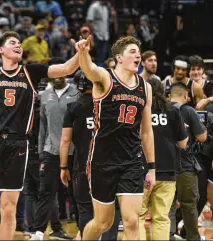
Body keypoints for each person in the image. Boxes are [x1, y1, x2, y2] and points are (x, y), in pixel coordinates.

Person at [0, 31, 79, 240]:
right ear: (0, 50)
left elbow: (66, 68)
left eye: (20, 44)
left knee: (9, 207)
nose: (18, 46)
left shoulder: (31, 71)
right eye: (12, 42)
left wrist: (81, 53)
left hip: (17, 143)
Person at [75, 35, 155, 240]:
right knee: (103, 222)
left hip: (131, 160)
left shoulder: (145, 87)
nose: (138, 55)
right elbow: (89, 69)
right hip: (102, 159)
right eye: (132, 52)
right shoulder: (105, 78)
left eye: (139, 52)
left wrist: (152, 168)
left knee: (131, 220)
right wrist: (83, 52)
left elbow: (146, 131)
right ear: (119, 57)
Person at [60, 70, 120, 240]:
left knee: (86, 209)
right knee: (110, 209)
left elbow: (65, 141)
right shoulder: (110, 106)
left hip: (83, 166)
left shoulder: (73, 108)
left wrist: (63, 167)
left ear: (78, 86)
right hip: (109, 165)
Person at [29, 61, 78, 240]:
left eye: (60, 74)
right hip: (51, 151)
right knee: (46, 193)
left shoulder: (76, 93)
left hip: (73, 152)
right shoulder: (45, 95)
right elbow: (42, 126)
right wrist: (41, 152)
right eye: (54, 75)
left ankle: (82, 229)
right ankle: (38, 231)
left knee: (76, 193)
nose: (57, 77)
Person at [139, 76, 188, 240]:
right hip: (167, 168)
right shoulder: (172, 110)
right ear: (162, 90)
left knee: (138, 216)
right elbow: (183, 143)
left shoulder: (139, 109)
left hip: (142, 169)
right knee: (161, 218)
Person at [169, 82, 207, 240]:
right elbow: (202, 137)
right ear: (185, 96)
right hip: (185, 165)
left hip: (164, 166)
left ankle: (167, 236)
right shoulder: (189, 110)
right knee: (189, 205)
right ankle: (193, 238)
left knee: (167, 207)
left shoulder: (160, 110)